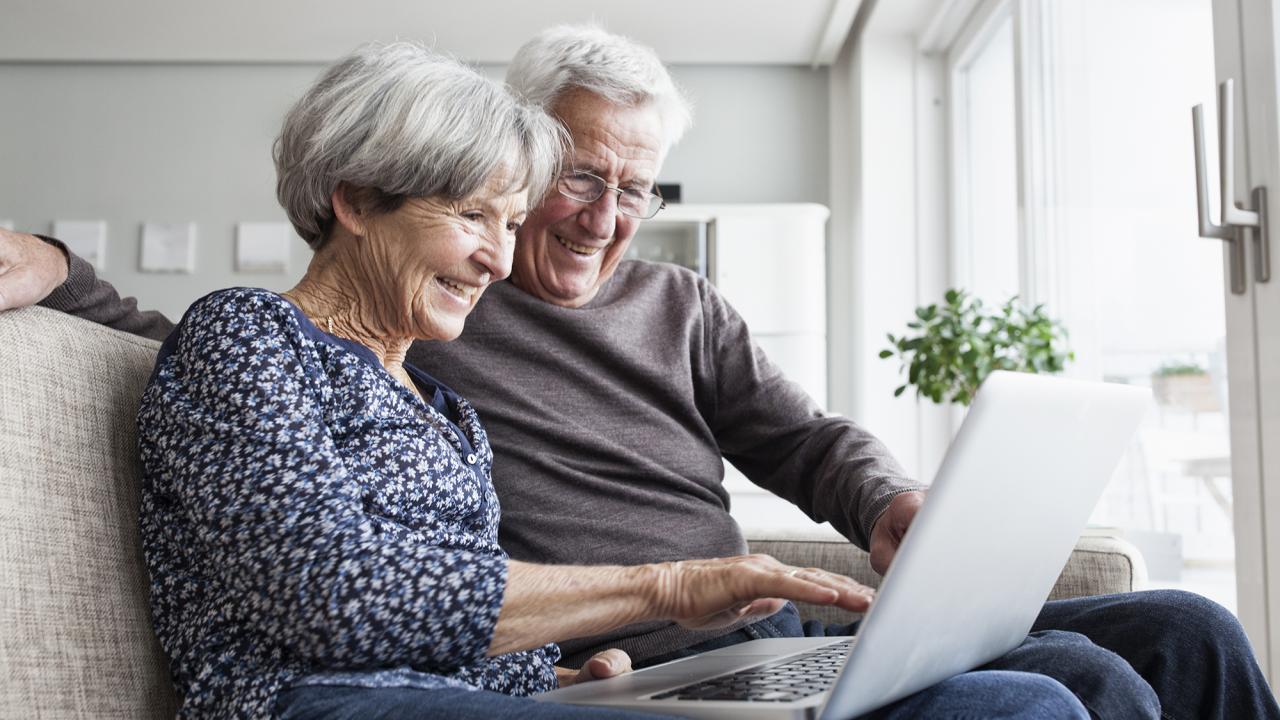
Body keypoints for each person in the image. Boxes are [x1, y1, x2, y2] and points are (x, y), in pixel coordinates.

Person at [1, 23, 1275, 719]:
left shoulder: (459, 386)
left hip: (687, 643)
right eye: (544, 187)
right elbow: (246, 414)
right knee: (1039, 704)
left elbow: (803, 441)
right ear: (362, 197)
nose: (574, 225)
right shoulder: (290, 343)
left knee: (1173, 634)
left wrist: (890, 511)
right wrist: (59, 263)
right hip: (581, 648)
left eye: (634, 187)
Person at [130, 42, 884, 720]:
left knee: (994, 695)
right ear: (356, 199)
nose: (497, 257)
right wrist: (667, 588)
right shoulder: (248, 336)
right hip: (310, 705)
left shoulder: (440, 406)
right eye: (473, 216)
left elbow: (456, 619)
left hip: (458, 696)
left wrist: (557, 677)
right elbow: (332, 594)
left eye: (510, 220)